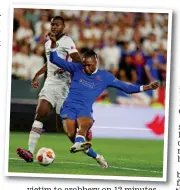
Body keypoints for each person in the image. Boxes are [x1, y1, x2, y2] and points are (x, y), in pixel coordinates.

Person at [48, 32, 159, 167]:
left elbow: (127, 88)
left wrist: (146, 87)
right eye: (84, 65)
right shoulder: (77, 68)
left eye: (89, 65)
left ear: (96, 62)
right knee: (71, 134)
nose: (86, 68)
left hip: (85, 108)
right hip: (69, 106)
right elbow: (55, 59)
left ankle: (80, 141)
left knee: (84, 124)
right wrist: (53, 45)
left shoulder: (105, 77)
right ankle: (97, 156)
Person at [16, 16, 83, 162]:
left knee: (63, 127)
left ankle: (82, 139)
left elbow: (78, 61)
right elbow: (49, 63)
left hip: (64, 87)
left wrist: (65, 67)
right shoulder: (48, 44)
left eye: (57, 25)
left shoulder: (67, 42)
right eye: (52, 24)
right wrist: (37, 75)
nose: (54, 27)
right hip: (50, 84)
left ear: (63, 26)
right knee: (41, 113)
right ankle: (30, 152)